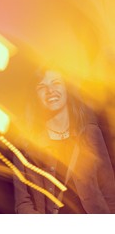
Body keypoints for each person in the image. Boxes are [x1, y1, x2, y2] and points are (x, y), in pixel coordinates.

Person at [13, 69, 115, 213]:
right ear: (35, 96)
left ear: (67, 89)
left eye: (56, 83)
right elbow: (23, 204)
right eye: (42, 87)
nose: (50, 90)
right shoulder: (26, 145)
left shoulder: (90, 134)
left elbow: (109, 191)